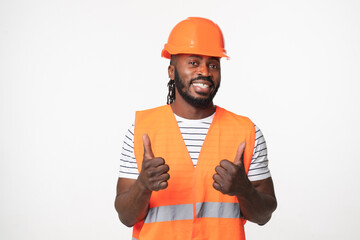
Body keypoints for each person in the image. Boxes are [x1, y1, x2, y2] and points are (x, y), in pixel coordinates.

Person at [115, 17, 277, 240]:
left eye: (213, 64)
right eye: (193, 62)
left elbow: (264, 215)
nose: (205, 72)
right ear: (172, 71)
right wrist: (143, 185)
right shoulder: (141, 130)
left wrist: (244, 189)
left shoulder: (246, 132)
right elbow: (125, 216)